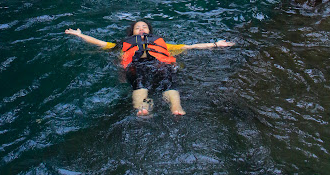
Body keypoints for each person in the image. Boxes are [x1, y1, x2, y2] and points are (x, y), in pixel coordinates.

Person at [65, 20, 235, 117]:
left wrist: (215, 44)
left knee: (168, 81)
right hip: (136, 65)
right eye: (137, 27)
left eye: (144, 27)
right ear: (132, 33)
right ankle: (143, 108)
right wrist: (81, 35)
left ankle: (176, 107)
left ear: (150, 32)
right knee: (139, 83)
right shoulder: (122, 45)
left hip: (160, 64)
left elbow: (190, 47)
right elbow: (100, 43)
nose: (141, 29)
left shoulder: (163, 44)